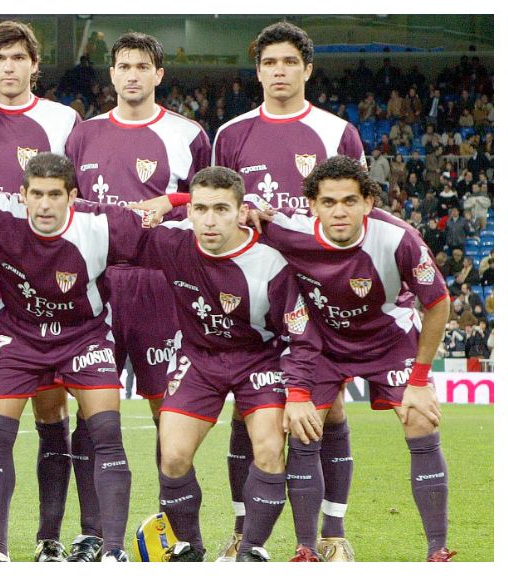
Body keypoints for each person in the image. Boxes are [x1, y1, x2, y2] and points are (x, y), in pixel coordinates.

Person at [0, 152, 174, 562]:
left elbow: (181, 231)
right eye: (36, 195)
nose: (44, 205)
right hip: (20, 338)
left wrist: (177, 199)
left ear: (73, 196)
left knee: (107, 436)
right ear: (22, 195)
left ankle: (113, 552)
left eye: (54, 195)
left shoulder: (102, 223)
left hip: (83, 337)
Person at [209, 20, 364, 561]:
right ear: (258, 71)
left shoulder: (335, 131)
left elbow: (357, 212)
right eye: (269, 63)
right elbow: (214, 211)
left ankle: (332, 537)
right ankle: (240, 531)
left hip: (319, 289)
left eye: (289, 62)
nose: (279, 71)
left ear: (307, 69)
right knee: (244, 408)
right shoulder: (231, 134)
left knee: (329, 408)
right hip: (250, 288)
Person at [256, 155, 454, 562]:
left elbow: (438, 303)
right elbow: (228, 213)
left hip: (388, 342)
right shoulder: (288, 229)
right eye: (328, 202)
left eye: (349, 200)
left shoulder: (399, 238)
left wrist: (419, 381)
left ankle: (437, 551)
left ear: (368, 202)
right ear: (312, 205)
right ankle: (309, 548)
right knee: (306, 425)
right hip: (323, 346)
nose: (339, 211)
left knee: (419, 418)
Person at [64, 31, 210, 560]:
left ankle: (180, 537)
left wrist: (166, 199)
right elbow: (67, 201)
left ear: (158, 74)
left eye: (142, 66)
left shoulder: (187, 134)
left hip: (159, 285)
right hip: (94, 284)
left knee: (165, 413)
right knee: (91, 413)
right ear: (111, 74)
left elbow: (212, 198)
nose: (131, 75)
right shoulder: (84, 135)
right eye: (123, 66)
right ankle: (92, 535)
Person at [0, 20, 80, 562]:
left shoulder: (62, 120)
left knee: (50, 405)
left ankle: (49, 537)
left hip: (41, 274)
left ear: (33, 65)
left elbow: (75, 198)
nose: (8, 66)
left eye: (17, 57)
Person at [142, 166, 318, 563]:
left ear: (242, 212)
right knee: (171, 453)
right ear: (189, 211)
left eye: (221, 209)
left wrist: (299, 392)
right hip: (199, 358)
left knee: (270, 449)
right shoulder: (172, 243)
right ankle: (190, 547)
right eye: (200, 208)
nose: (209, 219)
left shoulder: (271, 263)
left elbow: (302, 336)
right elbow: (108, 218)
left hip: (259, 360)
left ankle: (251, 550)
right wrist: (169, 200)